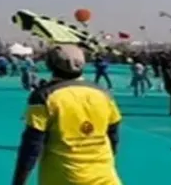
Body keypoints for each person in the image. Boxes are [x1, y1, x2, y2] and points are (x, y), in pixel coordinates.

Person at [11, 44, 120, 185]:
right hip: (104, 177)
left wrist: (18, 181)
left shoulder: (44, 96)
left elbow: (32, 144)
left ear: (51, 65)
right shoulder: (103, 93)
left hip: (63, 178)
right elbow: (114, 135)